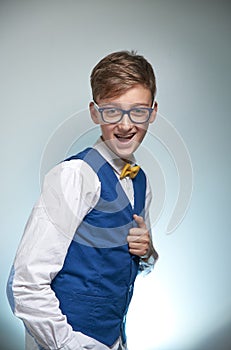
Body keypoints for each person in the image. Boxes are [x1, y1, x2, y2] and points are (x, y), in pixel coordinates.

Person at [7, 50, 158, 350]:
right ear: (94, 112)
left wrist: (147, 253)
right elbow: (24, 286)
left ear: (153, 112)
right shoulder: (75, 176)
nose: (126, 125)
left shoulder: (141, 181)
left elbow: (130, 266)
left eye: (138, 111)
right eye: (112, 111)